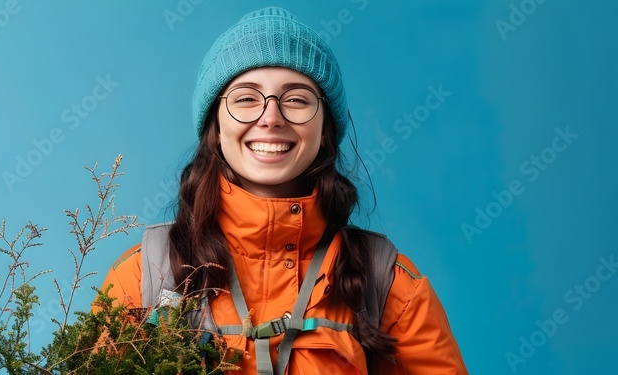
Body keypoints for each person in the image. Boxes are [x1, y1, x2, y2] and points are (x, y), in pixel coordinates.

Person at [101, 6, 467, 374]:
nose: (271, 116)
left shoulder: (389, 286)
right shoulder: (143, 277)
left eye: (296, 99)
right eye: (246, 98)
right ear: (215, 125)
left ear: (325, 130)